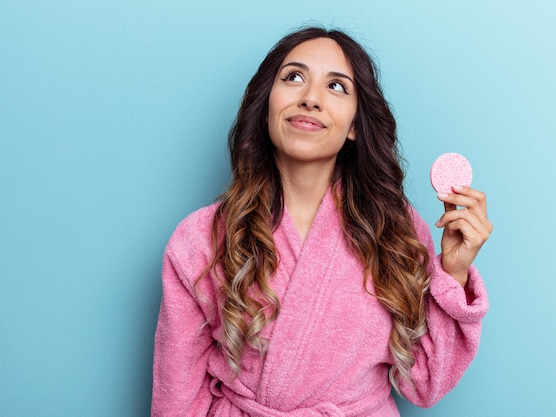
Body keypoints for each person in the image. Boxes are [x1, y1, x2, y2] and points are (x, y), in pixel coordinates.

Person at [151, 26, 492, 417]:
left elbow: (426, 383)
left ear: (353, 127)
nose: (311, 98)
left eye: (337, 87)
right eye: (293, 77)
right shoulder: (199, 240)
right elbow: (176, 400)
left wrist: (454, 272)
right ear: (265, 106)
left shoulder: (394, 229)